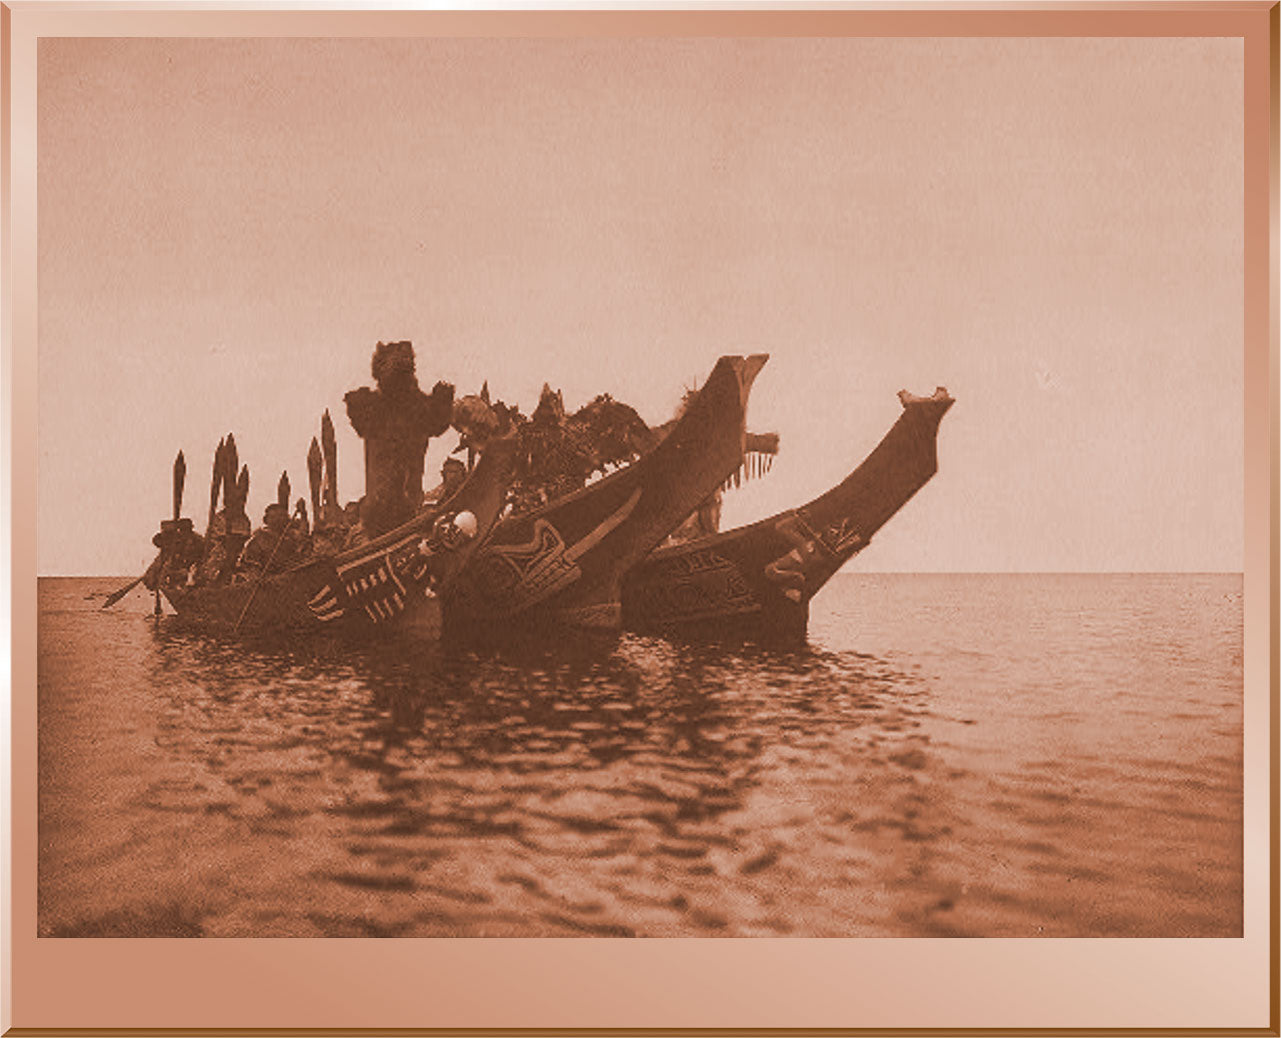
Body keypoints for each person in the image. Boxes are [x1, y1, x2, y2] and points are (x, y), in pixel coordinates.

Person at [344, 340, 454, 539]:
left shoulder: (416, 408)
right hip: (385, 506)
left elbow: (438, 422)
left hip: (402, 503)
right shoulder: (375, 407)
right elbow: (437, 422)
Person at [237, 503, 305, 579]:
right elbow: (251, 567)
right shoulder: (258, 540)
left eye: (282, 516)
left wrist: (303, 513)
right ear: (266, 520)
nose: (279, 520)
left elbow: (303, 541)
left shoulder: (289, 539)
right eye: (273, 517)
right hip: (267, 580)